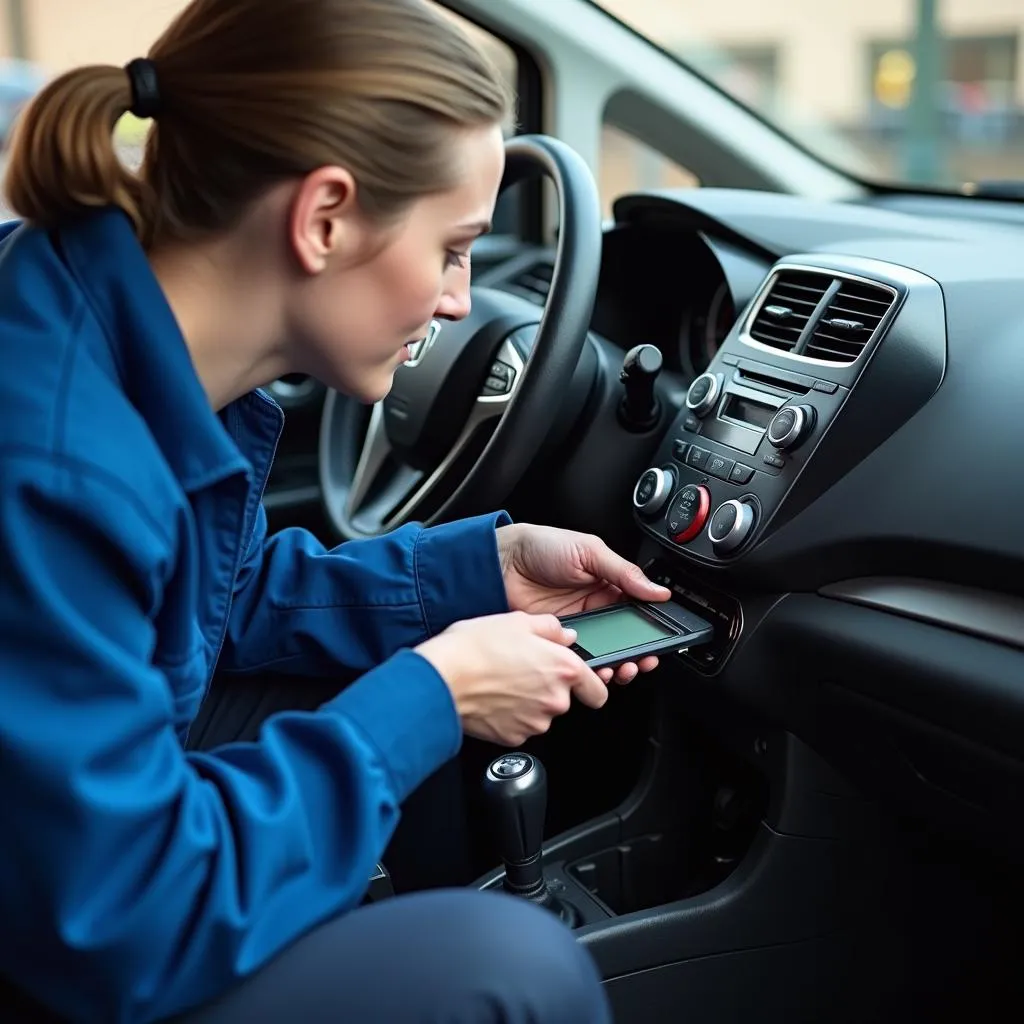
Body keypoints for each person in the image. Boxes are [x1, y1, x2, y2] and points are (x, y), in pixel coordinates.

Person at [0, 1, 673, 1021]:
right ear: (323, 217)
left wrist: (481, 572)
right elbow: (120, 915)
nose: (458, 301)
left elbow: (199, 600)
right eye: (452, 249)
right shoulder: (57, 461)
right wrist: (433, 696)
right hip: (77, 941)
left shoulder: (84, 313)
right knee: (516, 970)